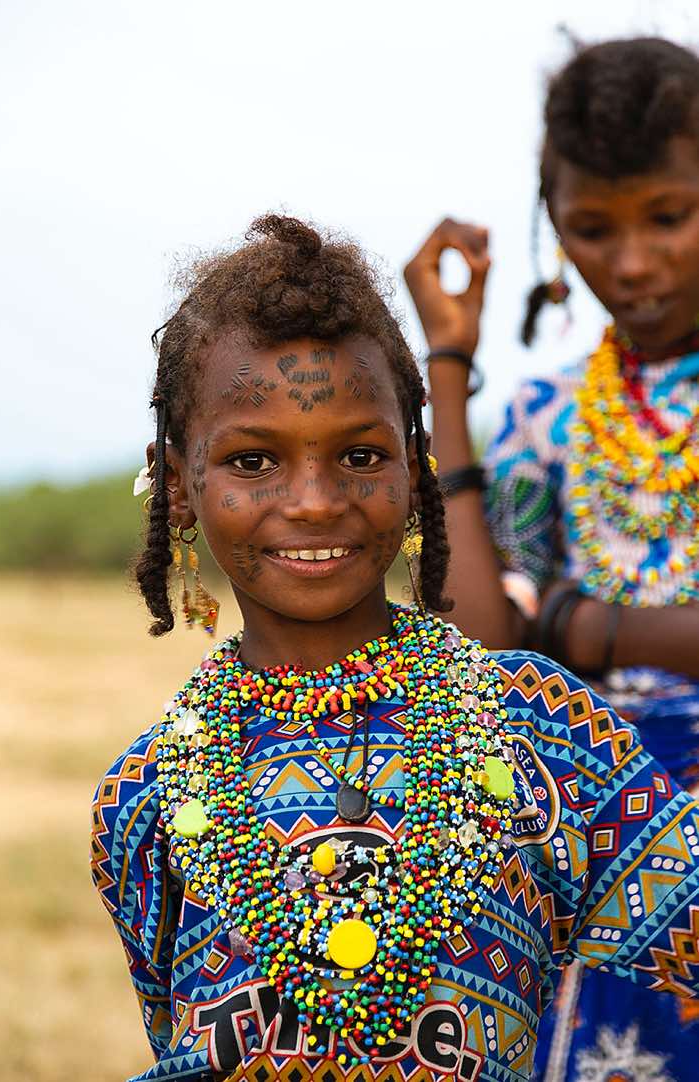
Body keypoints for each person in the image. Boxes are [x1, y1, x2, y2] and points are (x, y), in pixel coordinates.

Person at [92, 213, 699, 1082]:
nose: (312, 501)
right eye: (254, 462)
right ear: (180, 486)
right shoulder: (146, 795)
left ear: (414, 472)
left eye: (359, 455)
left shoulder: (540, 731)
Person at [404, 36, 699, 1082]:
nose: (629, 262)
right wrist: (446, 366)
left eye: (667, 215)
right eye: (591, 228)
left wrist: (586, 630)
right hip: (591, 852)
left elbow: (544, 633)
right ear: (551, 228)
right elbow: (481, 643)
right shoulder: (542, 419)